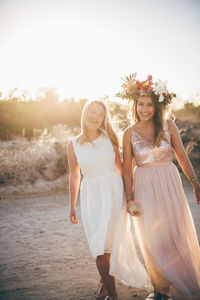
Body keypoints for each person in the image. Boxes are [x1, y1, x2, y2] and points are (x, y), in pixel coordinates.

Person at [119, 74, 200, 300]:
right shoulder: (128, 133)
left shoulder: (168, 125)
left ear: (157, 107)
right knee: (151, 238)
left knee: (174, 233)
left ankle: (183, 282)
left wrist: (195, 183)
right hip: (144, 186)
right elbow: (126, 169)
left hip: (169, 183)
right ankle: (161, 289)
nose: (145, 109)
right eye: (141, 104)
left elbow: (182, 157)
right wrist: (129, 199)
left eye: (150, 105)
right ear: (134, 105)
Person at [67, 100, 150, 300]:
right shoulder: (73, 144)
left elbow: (121, 168)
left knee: (110, 242)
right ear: (85, 114)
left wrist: (130, 196)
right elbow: (74, 175)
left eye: (101, 114)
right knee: (99, 246)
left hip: (114, 192)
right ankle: (113, 295)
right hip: (92, 195)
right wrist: (72, 206)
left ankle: (105, 282)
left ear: (105, 118)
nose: (96, 116)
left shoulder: (110, 138)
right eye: (92, 112)